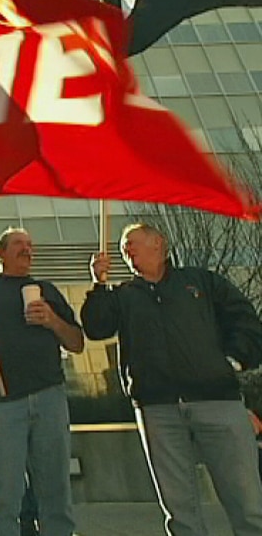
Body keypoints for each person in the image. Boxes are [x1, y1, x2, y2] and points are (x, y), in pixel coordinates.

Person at [82, 222, 262, 536]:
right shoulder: (123, 295)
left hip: (217, 401)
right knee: (179, 506)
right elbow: (96, 327)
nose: (127, 251)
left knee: (246, 499)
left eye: (132, 243)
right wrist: (99, 285)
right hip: (157, 408)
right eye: (124, 249)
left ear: (158, 244)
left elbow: (245, 318)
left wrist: (233, 361)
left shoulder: (201, 282)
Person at [0, 228, 83, 536]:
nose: (27, 249)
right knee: (2, 495)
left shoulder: (45, 289)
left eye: (30, 244)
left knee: (55, 492)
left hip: (49, 396)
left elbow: (76, 342)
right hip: (2, 404)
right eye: (19, 244)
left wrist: (52, 320)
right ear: (1, 253)